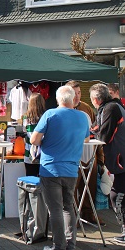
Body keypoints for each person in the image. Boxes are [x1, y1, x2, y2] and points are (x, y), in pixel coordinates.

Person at [30, 85, 90, 250]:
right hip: (71, 170)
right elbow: (85, 139)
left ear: (57, 99)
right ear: (72, 99)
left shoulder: (50, 114)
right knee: (68, 207)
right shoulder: (83, 117)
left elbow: (34, 140)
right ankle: (70, 244)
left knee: (55, 209)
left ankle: (58, 245)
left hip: (51, 168)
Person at [90, 83, 125, 243]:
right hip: (119, 158)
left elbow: (104, 135)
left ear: (96, 99)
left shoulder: (111, 109)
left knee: (117, 196)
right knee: (117, 195)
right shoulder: (111, 107)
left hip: (120, 159)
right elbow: (98, 128)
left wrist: (90, 134)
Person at [65, 80, 102, 225]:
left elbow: (95, 131)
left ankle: (88, 214)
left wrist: (100, 158)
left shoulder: (86, 108)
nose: (77, 96)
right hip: (71, 155)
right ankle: (71, 218)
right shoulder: (63, 109)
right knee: (72, 187)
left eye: (79, 93)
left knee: (89, 188)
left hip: (89, 153)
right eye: (74, 93)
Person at [23, 93, 46, 176]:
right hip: (43, 152)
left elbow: (25, 131)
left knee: (30, 179)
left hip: (29, 152)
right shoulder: (46, 116)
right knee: (43, 180)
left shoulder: (26, 117)